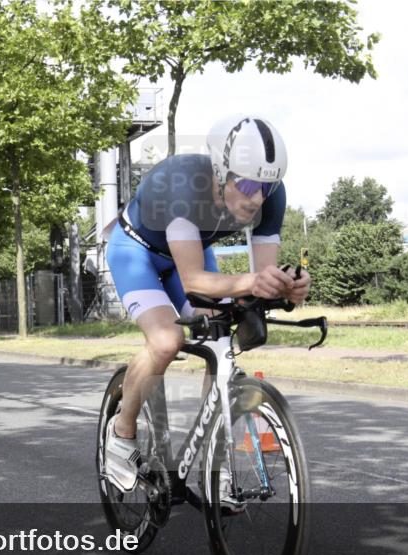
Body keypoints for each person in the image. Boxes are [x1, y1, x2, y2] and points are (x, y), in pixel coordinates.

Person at [102, 115, 311, 499]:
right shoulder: (182, 185)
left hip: (190, 251)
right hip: (137, 251)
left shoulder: (270, 197)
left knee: (220, 337)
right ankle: (122, 430)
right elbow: (193, 280)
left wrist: (287, 287)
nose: (257, 198)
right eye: (247, 184)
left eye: (267, 186)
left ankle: (216, 463)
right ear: (219, 173)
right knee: (166, 340)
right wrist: (252, 282)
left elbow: (261, 279)